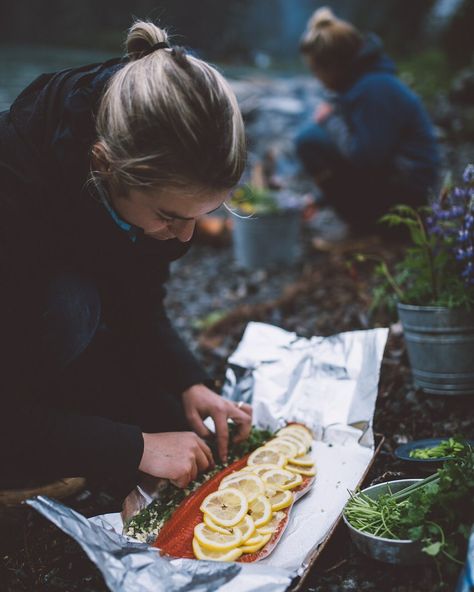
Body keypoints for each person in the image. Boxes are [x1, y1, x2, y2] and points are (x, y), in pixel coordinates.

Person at [0, 21, 252, 496]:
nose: (186, 236)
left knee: (161, 407)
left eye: (204, 214)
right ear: (102, 165)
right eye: (170, 216)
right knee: (73, 307)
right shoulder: (13, 194)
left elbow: (135, 300)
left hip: (42, 327)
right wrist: (131, 448)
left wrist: (188, 381)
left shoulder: (140, 157)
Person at [295, 7, 440, 234]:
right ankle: (366, 221)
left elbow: (364, 159)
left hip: (410, 200)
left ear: (333, 65)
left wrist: (330, 119)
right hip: (397, 182)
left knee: (309, 141)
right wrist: (319, 199)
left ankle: (368, 226)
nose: (316, 78)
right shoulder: (363, 84)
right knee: (312, 136)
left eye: (315, 69)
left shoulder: (374, 89)